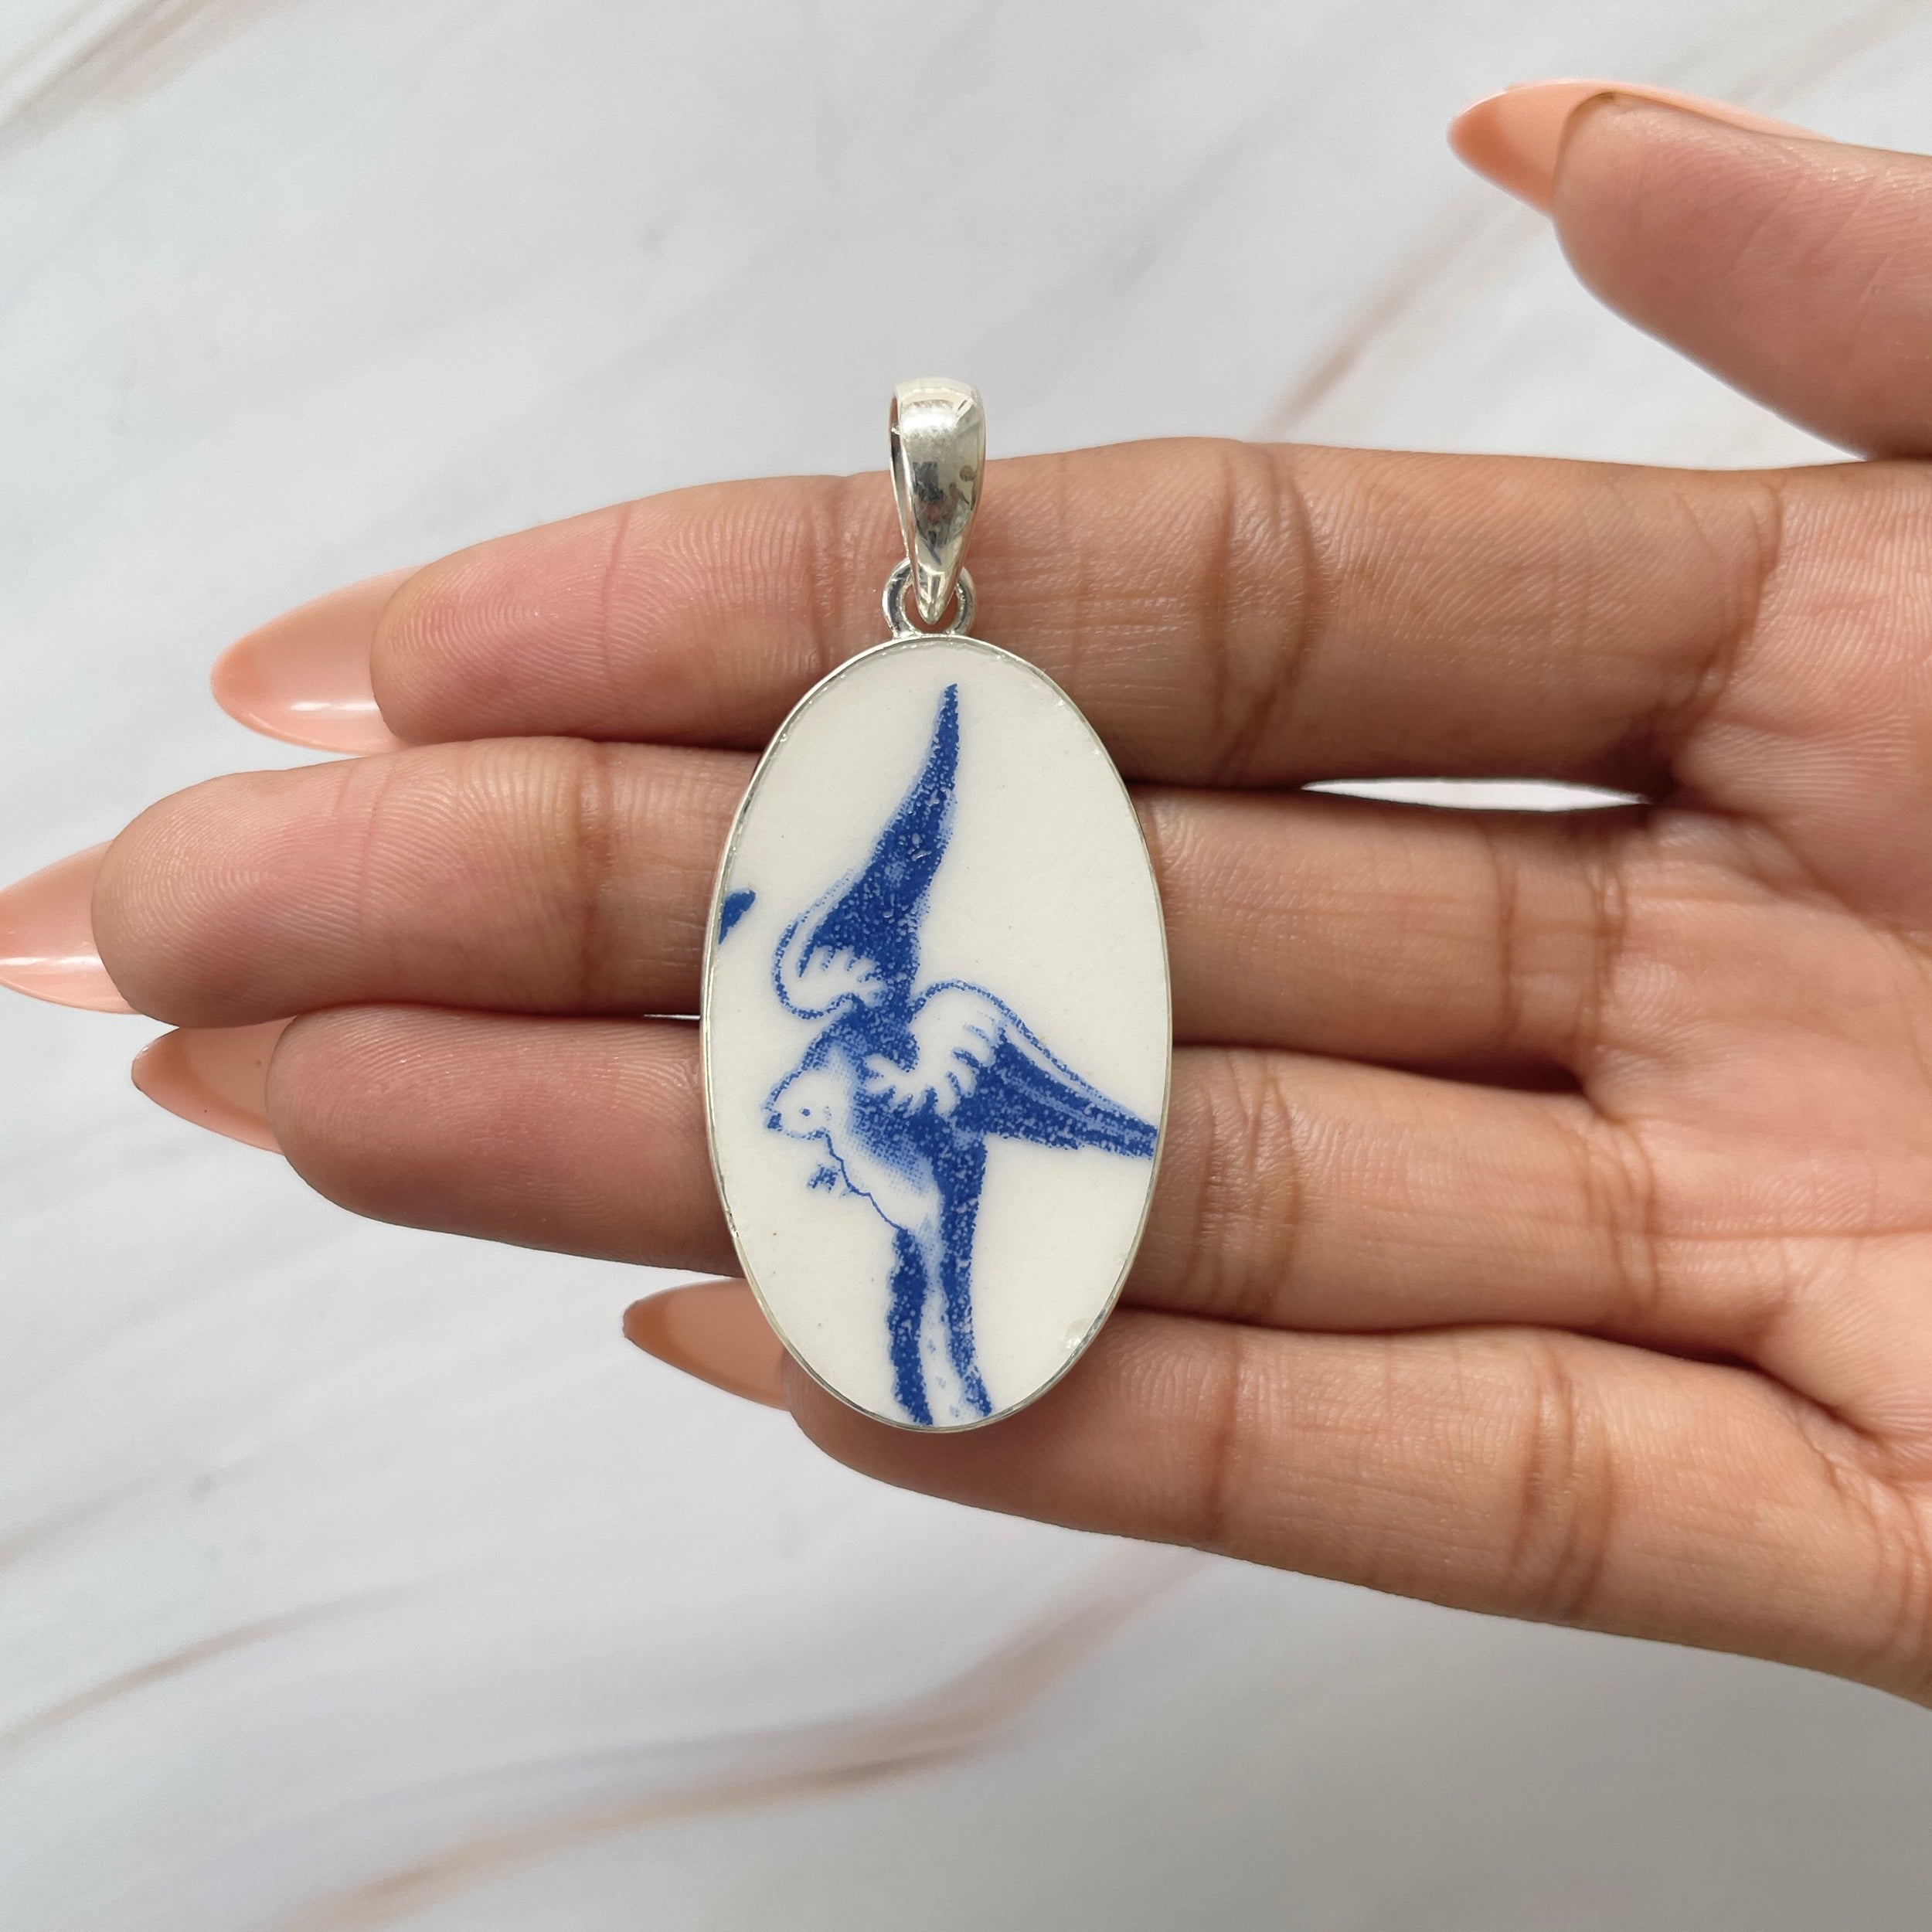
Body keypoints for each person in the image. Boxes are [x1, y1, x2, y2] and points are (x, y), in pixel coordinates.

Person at [5, 83, 1931, 1704]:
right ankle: (927, 1323)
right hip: (920, 1173)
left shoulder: (930, 1024)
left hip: (947, 1183)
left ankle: (930, 1322)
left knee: (934, 1268)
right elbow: (817, 1050)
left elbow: (1015, 1059)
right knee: (912, 1271)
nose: (825, 984)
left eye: (844, 965)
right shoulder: (851, 1023)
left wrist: (971, 1054)